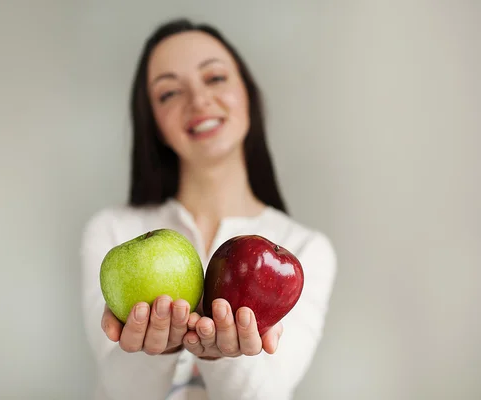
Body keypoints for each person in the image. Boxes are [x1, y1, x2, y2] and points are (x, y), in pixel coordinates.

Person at [80, 18, 337, 400]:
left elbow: (269, 393)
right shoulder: (112, 230)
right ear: (154, 124)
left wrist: (224, 357)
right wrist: (158, 349)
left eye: (214, 78)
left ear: (248, 94)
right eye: (169, 93)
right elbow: (119, 391)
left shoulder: (305, 249)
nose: (198, 101)